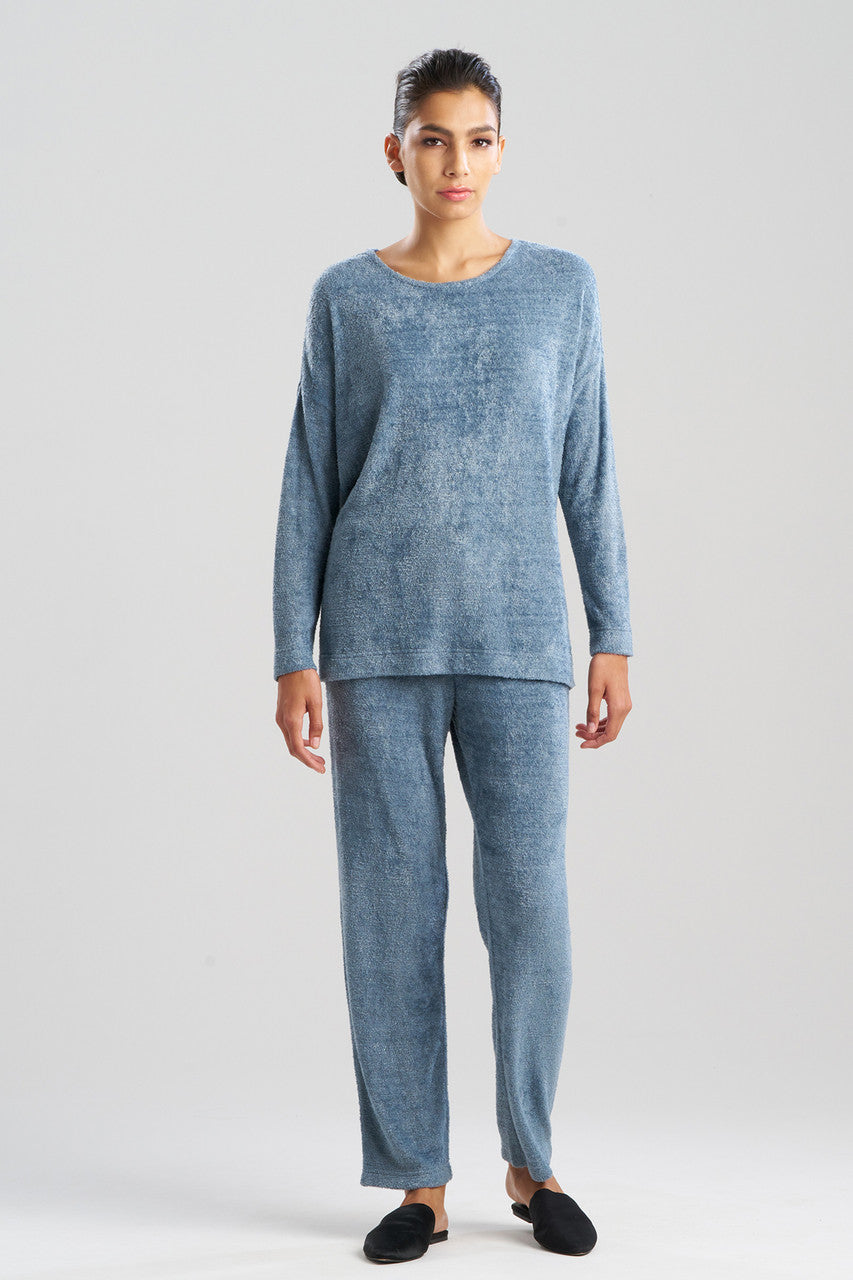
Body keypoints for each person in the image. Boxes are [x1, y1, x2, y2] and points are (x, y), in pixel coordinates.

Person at [273, 47, 633, 1264]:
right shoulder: (346, 297)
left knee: (529, 905)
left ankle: (531, 1160)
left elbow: (589, 467)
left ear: (501, 148)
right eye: (433, 138)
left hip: (522, 639)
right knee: (389, 909)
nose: (456, 161)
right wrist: (289, 648)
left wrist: (614, 630)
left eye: (477, 138)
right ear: (397, 152)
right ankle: (417, 1180)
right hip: (373, 643)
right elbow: (307, 478)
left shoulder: (560, 290)